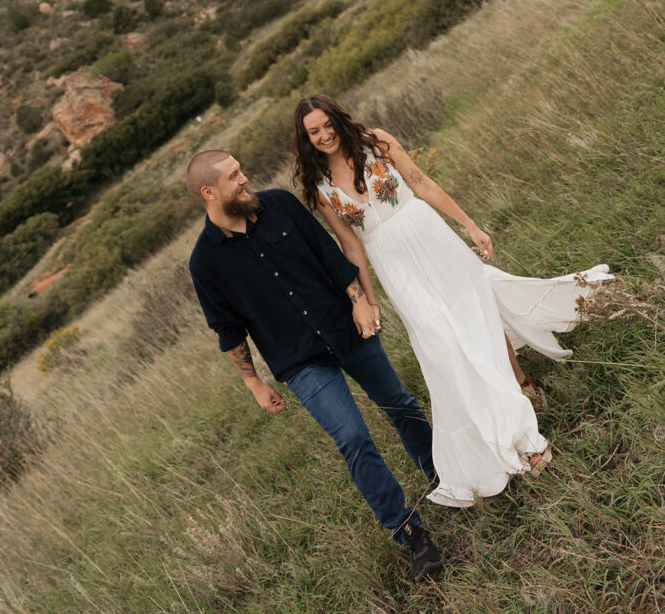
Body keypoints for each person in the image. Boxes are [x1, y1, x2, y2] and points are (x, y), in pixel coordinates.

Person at [293, 94, 612, 509]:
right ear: (305, 138)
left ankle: (519, 403)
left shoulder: (376, 142)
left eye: (326, 124)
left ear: (337, 118)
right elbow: (351, 246)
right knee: (441, 344)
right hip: (393, 264)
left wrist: (470, 226)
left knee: (475, 314)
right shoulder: (319, 188)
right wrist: (368, 302)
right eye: (313, 132)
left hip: (429, 236)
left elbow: (420, 183)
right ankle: (503, 412)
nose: (324, 135)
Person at [186, 149, 444, 581]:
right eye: (234, 176)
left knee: (398, 402)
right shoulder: (204, 263)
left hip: (348, 328)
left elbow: (329, 255)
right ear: (210, 192)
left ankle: (442, 474)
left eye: (241, 169)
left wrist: (360, 301)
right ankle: (409, 532)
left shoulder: (280, 205)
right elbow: (229, 331)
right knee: (353, 439)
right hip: (301, 362)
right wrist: (253, 383)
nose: (245, 178)